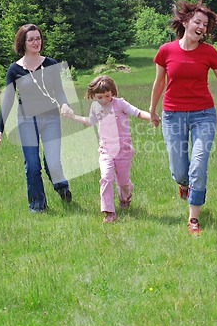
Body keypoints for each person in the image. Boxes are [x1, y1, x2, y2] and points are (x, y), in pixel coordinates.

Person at [149, 0, 217, 234]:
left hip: (204, 115)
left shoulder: (209, 52)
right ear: (185, 22)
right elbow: (158, 83)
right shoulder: (166, 50)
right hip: (172, 115)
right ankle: (184, 185)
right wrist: (152, 111)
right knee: (180, 171)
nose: (201, 27)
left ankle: (193, 219)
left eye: (205, 25)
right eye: (197, 22)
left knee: (199, 164)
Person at [0, 23, 73, 213]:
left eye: (38, 38)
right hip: (27, 120)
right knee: (32, 165)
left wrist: (65, 104)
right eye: (31, 39)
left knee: (52, 162)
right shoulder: (14, 70)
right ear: (23, 43)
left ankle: (62, 188)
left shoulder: (51, 64)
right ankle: (37, 206)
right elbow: (8, 100)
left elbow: (60, 92)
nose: (36, 42)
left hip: (51, 118)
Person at [63, 75, 159, 223]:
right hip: (105, 150)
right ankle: (109, 212)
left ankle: (125, 197)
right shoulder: (95, 107)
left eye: (107, 96)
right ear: (93, 96)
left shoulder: (120, 104)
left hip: (123, 151)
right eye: (99, 97)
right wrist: (72, 116)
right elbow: (89, 122)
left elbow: (138, 112)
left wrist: (152, 117)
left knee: (123, 182)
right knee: (106, 178)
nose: (103, 100)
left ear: (112, 93)